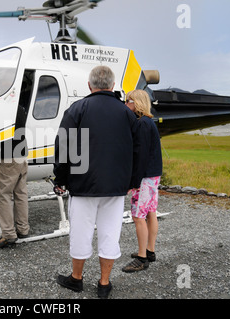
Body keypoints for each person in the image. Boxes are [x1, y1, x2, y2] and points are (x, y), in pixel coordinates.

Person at [53, 66, 140, 298]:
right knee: (110, 233)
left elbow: (64, 145)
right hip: (116, 187)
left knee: (80, 232)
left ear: (90, 86)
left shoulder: (77, 109)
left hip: (82, 185)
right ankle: (103, 283)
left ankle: (77, 279)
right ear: (112, 86)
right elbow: (138, 150)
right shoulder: (127, 113)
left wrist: (60, 178)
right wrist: (132, 180)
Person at [122, 89, 163, 272]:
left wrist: (133, 182)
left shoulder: (142, 124)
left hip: (145, 177)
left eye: (128, 100)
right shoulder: (149, 122)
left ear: (136, 102)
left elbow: (140, 156)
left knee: (138, 215)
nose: (125, 104)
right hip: (153, 175)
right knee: (151, 212)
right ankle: (150, 250)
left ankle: (141, 258)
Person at [0, 104, 30, 248]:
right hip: (21, 154)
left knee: (5, 195)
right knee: (21, 193)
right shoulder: (20, 107)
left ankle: (8, 234)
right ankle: (23, 229)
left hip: (9, 156)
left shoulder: (2, 108)